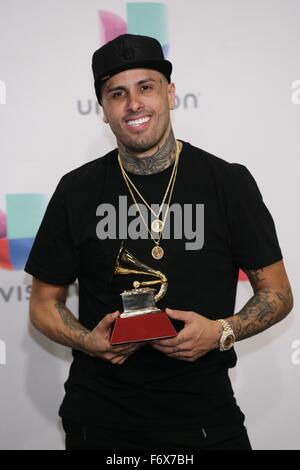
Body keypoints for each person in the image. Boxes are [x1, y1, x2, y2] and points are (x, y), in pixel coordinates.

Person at [25, 34, 293, 450]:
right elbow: (42, 303)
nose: (133, 104)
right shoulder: (76, 190)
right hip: (99, 420)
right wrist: (88, 341)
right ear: (103, 111)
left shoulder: (228, 182)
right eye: (118, 93)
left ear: (170, 94)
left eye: (145, 87)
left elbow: (277, 293)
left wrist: (221, 330)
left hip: (205, 417)